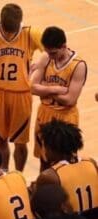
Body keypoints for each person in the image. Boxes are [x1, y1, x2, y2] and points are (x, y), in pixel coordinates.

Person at [0, 3, 43, 171]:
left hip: (22, 94)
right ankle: (3, 172)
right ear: (1, 22)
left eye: (12, 30)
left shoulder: (30, 33)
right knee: (1, 139)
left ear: (20, 23)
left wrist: (38, 66)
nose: (9, 33)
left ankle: (18, 175)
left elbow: (50, 50)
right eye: (6, 29)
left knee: (20, 142)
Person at [31, 26, 87, 171]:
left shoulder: (78, 66)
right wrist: (55, 89)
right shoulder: (46, 57)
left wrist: (44, 88)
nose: (50, 56)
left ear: (64, 46)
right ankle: (43, 192)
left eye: (53, 52)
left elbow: (70, 100)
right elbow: (32, 87)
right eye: (48, 52)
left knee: (66, 163)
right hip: (45, 113)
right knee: (44, 161)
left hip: (66, 118)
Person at [34, 119, 98, 213]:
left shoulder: (49, 176)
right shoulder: (91, 162)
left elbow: (40, 207)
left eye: (43, 146)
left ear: (50, 148)